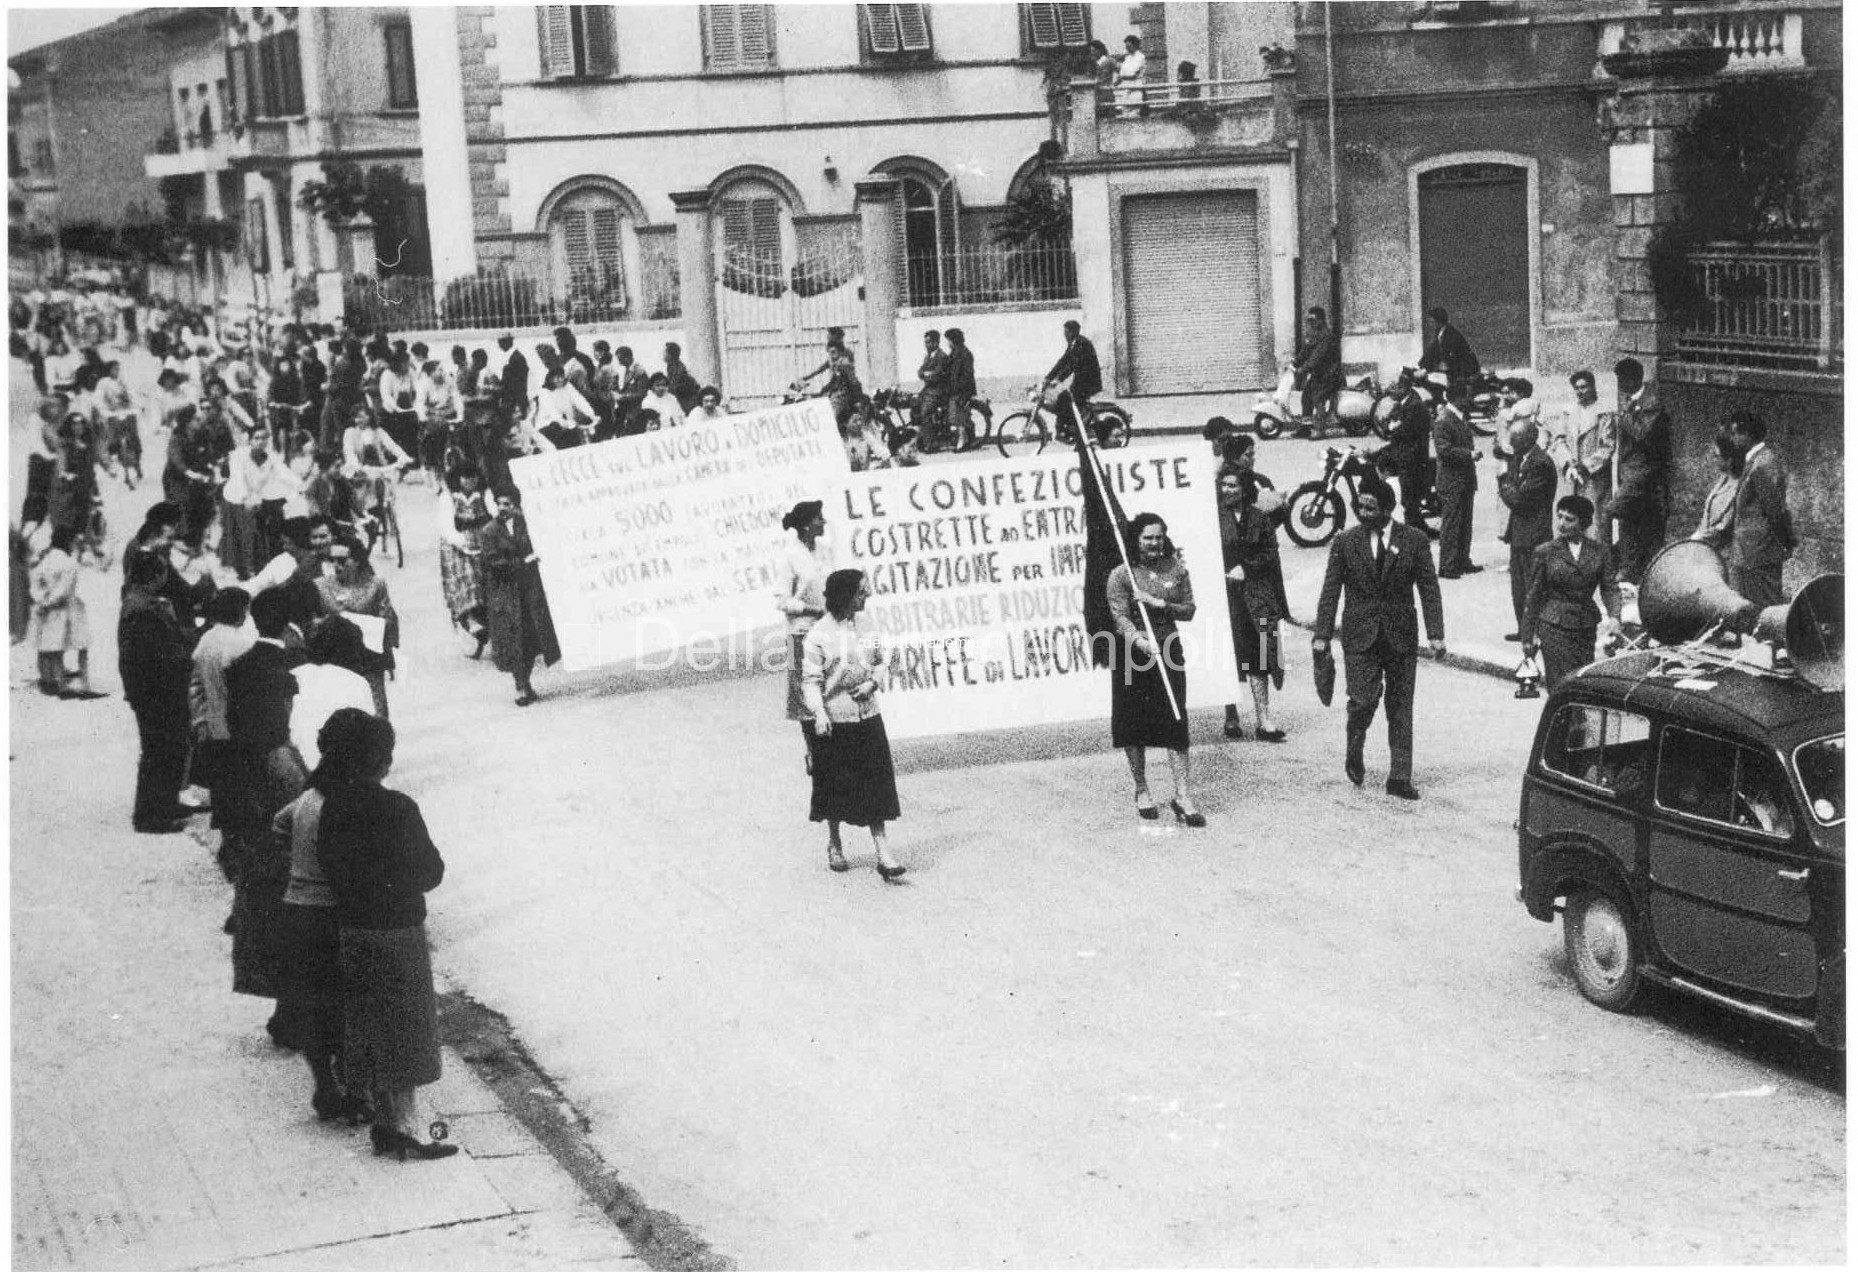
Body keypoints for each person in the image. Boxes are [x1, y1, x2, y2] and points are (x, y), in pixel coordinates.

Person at [313, 708, 458, 1161]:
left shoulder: (332, 807)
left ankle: (381, 1117)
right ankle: (404, 1128)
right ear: (379, 760)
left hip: (352, 927)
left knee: (371, 1026)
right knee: (406, 1030)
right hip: (398, 930)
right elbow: (431, 871)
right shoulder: (397, 808)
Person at [1311, 477, 1446, 800]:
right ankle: (1354, 747)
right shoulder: (1345, 542)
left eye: (1371, 507)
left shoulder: (1413, 540)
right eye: (1360, 506)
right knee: (1363, 700)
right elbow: (1330, 591)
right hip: (1360, 636)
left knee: (1400, 707)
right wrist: (1322, 635)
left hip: (1400, 635)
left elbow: (1429, 588)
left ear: (1387, 508)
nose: (1363, 512)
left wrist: (1436, 634)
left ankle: (1399, 776)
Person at [224, 589, 310, 1045]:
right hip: (277, 793)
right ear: (290, 626)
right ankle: (292, 1013)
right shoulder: (282, 675)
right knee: (293, 906)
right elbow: (279, 745)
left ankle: (285, 1009)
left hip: (246, 796)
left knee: (266, 908)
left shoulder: (239, 667)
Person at [802, 569, 905, 880]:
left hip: (868, 716)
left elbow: (883, 659)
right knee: (835, 785)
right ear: (846, 596)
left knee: (876, 783)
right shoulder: (818, 635)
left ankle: (883, 853)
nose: (868, 595)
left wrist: (874, 682)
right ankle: (834, 842)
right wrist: (819, 713)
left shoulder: (866, 625)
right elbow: (810, 680)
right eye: (862, 591)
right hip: (835, 721)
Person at [1106, 513, 1203, 826]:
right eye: (1147, 537)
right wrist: (1139, 640)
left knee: (1176, 720)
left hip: (1168, 650)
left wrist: (1160, 605)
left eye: (1158, 537)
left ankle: (1183, 795)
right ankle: (1142, 789)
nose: (1153, 543)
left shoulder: (1176, 569)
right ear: (1136, 539)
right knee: (1133, 723)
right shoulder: (1122, 574)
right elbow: (1119, 618)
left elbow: (1188, 609)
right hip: (1133, 656)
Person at [120, 548, 199, 832]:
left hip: (154, 692)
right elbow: (156, 655)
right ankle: (152, 816)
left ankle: (164, 804)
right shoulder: (144, 610)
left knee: (166, 749)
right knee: (161, 751)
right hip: (158, 693)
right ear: (155, 577)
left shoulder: (140, 603)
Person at [1216, 464, 1288, 743]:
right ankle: (1231, 715)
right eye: (1224, 485)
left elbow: (1270, 551)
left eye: (1233, 485)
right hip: (1227, 596)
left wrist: (1246, 567)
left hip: (1255, 595)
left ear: (1244, 489)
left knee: (1260, 654)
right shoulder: (1213, 517)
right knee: (1228, 654)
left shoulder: (1259, 518)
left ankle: (1263, 718)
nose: (1227, 490)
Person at [1522, 495, 1623, 691]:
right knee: (1560, 683)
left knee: (1581, 680)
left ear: (1584, 523)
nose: (1562, 523)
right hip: (1554, 626)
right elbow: (1533, 596)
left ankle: (1576, 720)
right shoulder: (1545, 551)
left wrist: (1615, 617)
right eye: (1559, 516)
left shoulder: (1599, 551)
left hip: (1585, 626)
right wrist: (1528, 636)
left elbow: (1609, 587)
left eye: (1569, 519)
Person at [189, 586, 257, 871]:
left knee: (222, 789)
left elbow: (195, 687)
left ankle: (227, 845)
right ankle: (238, 852)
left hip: (214, 726)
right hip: (238, 728)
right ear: (242, 612)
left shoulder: (205, 641)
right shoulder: (242, 644)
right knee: (242, 789)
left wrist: (199, 720)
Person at [482, 484, 561, 705]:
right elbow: (493, 562)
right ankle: (520, 686)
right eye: (499, 504)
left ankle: (525, 683)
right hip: (505, 594)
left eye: (507, 504)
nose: (502, 508)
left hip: (528, 592)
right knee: (514, 640)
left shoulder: (527, 525)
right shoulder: (489, 531)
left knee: (530, 640)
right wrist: (523, 562)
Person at [776, 501, 833, 770]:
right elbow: (783, 601)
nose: (824, 523)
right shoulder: (789, 555)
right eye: (820, 519)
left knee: (830, 686)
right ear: (808, 524)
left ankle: (833, 746)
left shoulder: (824, 551)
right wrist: (813, 610)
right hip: (801, 632)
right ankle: (815, 752)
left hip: (826, 630)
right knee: (804, 692)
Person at [316, 534, 399, 719]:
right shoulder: (320, 586)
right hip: (336, 659)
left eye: (342, 561)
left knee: (377, 710)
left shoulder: (376, 585)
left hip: (368, 657)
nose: (337, 566)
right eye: (333, 560)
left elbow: (387, 619)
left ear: (357, 561)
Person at [1605, 357, 1671, 587]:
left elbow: (1644, 434)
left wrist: (1623, 417)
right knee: (1630, 522)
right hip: (1630, 474)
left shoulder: (1651, 402)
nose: (1620, 384)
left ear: (1636, 378)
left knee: (1625, 516)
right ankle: (1629, 568)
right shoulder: (1630, 400)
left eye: (1624, 379)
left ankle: (1640, 571)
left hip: (1646, 476)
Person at [1496, 418, 1558, 642]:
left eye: (1514, 438)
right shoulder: (1522, 459)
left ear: (1526, 439)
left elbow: (1519, 499)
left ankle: (1535, 630)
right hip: (1520, 533)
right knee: (1519, 586)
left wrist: (1503, 480)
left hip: (1534, 534)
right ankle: (1525, 629)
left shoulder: (1540, 463)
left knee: (1533, 586)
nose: (1511, 442)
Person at [1725, 411, 1793, 609]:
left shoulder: (1763, 463)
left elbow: (1775, 511)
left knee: (1764, 604)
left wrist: (1785, 543)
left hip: (1759, 551)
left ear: (1748, 435)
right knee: (1749, 603)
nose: (1732, 438)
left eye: (1735, 433)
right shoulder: (1756, 460)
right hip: (1751, 549)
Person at [29, 525, 104, 699]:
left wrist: (42, 601)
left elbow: (35, 585)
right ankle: (84, 684)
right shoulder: (69, 563)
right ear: (68, 542)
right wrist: (50, 601)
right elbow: (64, 589)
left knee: (54, 646)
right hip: (69, 608)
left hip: (48, 611)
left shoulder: (44, 560)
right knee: (82, 645)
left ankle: (57, 682)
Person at [1544, 369, 1615, 548]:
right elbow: (1559, 440)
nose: (1580, 391)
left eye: (1584, 387)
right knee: (1568, 518)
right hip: (1571, 475)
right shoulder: (1568, 412)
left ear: (1592, 387)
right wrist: (1568, 463)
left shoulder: (1603, 414)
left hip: (1593, 477)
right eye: (1576, 388)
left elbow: (1607, 446)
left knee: (1596, 522)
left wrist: (1585, 465)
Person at [437, 462, 492, 656]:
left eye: (473, 477)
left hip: (483, 542)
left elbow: (493, 516)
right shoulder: (448, 498)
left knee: (487, 583)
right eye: (465, 478)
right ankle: (470, 622)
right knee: (466, 583)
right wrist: (463, 543)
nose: (470, 482)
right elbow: (446, 528)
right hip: (458, 547)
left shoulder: (485, 494)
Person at [1430, 379, 1481, 578]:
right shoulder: (1444, 420)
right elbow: (1444, 450)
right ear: (1458, 398)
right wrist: (1470, 454)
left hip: (1464, 479)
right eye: (1468, 395)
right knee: (1451, 524)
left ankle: (1462, 560)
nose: (1471, 399)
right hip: (1451, 481)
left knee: (1464, 522)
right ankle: (1447, 565)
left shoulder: (1458, 417)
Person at [1042, 320, 1103, 443]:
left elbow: (1073, 365)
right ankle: (1069, 428)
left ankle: (1072, 430)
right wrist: (1048, 377)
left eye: (1066, 332)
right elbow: (1063, 361)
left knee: (1064, 399)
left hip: (1089, 383)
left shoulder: (1082, 344)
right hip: (1082, 381)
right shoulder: (1074, 344)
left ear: (1072, 332)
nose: (1065, 335)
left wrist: (1058, 379)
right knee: (1065, 400)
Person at [1292, 307, 1342, 439]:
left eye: (1312, 320)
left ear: (1320, 320)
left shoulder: (1327, 337)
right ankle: (1305, 428)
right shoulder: (1315, 336)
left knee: (1318, 398)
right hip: (1320, 376)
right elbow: (1306, 352)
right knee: (1306, 397)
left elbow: (1316, 358)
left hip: (1331, 376)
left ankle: (1320, 430)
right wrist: (1294, 363)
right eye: (1308, 320)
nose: (1310, 322)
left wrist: (1303, 369)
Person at [1690, 429, 1742, 554]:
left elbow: (1723, 528)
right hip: (1705, 548)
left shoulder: (1738, 488)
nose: (1713, 458)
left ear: (1729, 460)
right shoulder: (1723, 479)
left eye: (1717, 455)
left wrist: (1694, 541)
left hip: (1722, 554)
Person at [530, 363, 598, 449]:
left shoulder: (568, 387)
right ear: (550, 379)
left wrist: (592, 414)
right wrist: (565, 423)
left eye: (561, 376)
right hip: (548, 426)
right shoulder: (544, 392)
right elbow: (553, 413)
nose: (559, 380)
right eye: (556, 377)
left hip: (568, 425)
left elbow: (580, 401)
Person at [1419, 306, 1480, 394]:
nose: (1430, 323)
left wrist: (1444, 366)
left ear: (1437, 321)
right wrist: (1423, 366)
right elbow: (1432, 350)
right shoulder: (1439, 332)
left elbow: (1457, 357)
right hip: (1452, 369)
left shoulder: (1451, 335)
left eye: (1432, 320)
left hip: (1464, 370)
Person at [913, 329, 950, 449]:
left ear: (936, 343)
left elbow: (937, 376)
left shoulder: (942, 356)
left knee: (925, 413)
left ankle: (930, 444)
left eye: (928, 342)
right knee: (914, 406)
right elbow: (920, 372)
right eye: (925, 342)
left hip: (938, 391)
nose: (926, 345)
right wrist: (926, 374)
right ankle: (919, 438)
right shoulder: (928, 356)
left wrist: (927, 375)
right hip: (928, 390)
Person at [944, 328, 976, 450]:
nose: (948, 343)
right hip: (955, 389)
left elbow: (967, 374)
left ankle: (963, 442)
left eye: (949, 340)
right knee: (959, 416)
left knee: (958, 417)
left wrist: (958, 389)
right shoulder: (954, 353)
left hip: (962, 390)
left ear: (954, 340)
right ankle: (968, 439)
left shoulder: (965, 354)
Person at [663, 342, 702, 414]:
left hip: (686, 403)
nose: (663, 355)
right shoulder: (672, 366)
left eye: (665, 352)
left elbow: (674, 387)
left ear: (670, 355)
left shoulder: (678, 368)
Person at [1114, 34, 1147, 116]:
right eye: (1126, 47)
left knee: (1135, 113)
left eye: (1129, 46)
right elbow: (1122, 72)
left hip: (1135, 88)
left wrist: (1122, 77)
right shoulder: (1127, 58)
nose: (1127, 48)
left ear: (1135, 45)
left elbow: (1134, 75)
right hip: (1125, 89)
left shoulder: (1140, 57)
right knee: (1125, 113)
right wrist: (1115, 84)